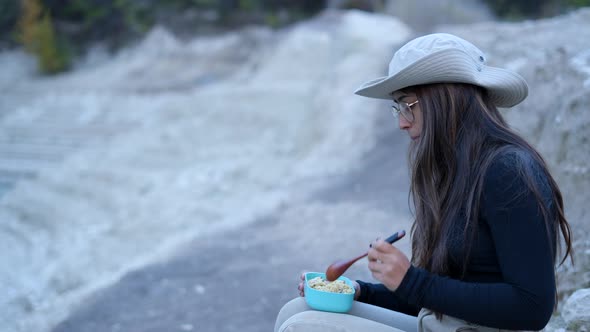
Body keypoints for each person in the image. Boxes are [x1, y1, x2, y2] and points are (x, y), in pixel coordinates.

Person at [274, 33, 573, 332]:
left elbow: (532, 307)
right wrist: (363, 290)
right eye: (398, 108)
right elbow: (441, 298)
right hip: (448, 324)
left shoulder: (508, 171)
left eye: (408, 105)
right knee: (297, 309)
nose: (401, 122)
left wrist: (410, 280)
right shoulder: (461, 169)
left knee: (303, 326)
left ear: (446, 98)